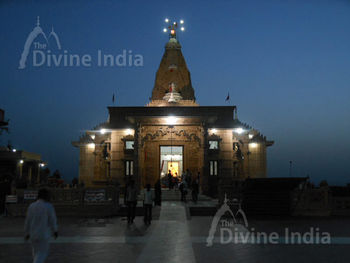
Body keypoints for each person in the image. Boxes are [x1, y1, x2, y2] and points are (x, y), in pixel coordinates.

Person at [24, 188, 58, 263]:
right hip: (44, 234)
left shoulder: (31, 206)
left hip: (33, 234)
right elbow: (52, 220)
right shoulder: (48, 206)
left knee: (36, 253)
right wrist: (55, 231)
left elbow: (28, 220)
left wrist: (27, 233)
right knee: (42, 253)